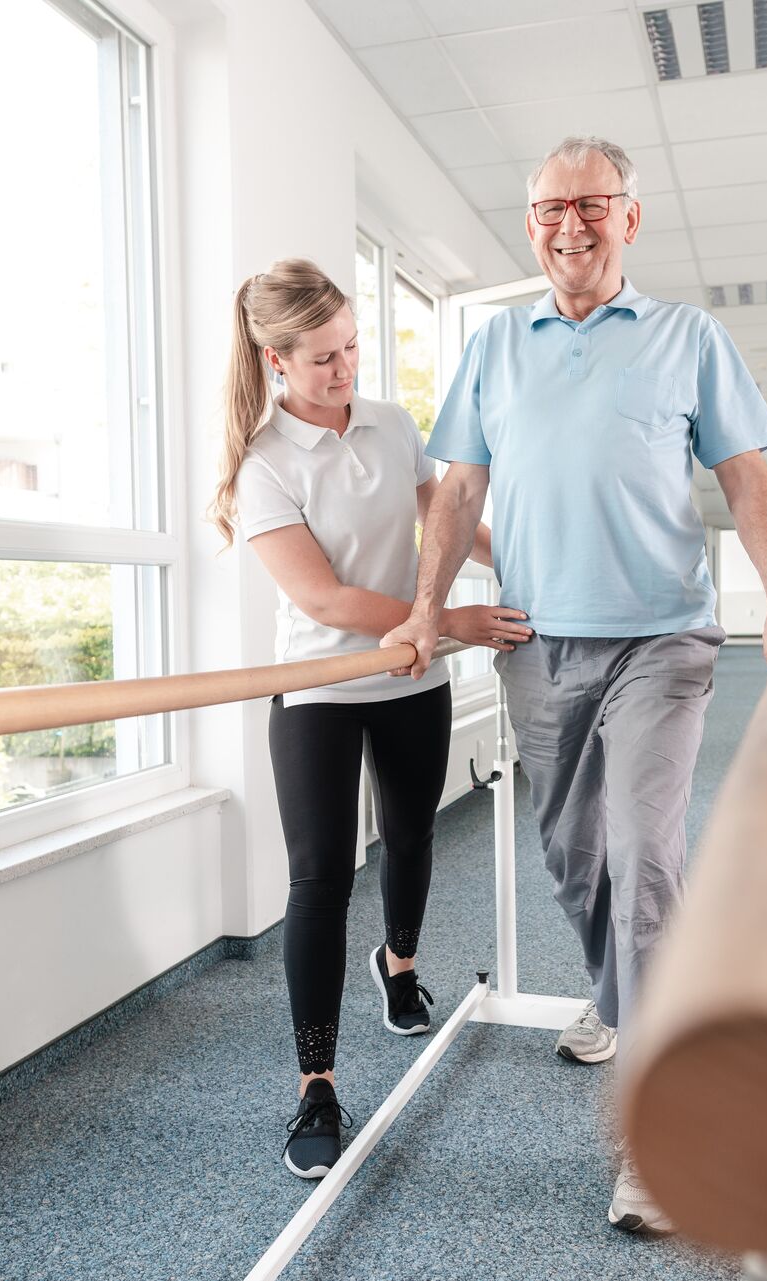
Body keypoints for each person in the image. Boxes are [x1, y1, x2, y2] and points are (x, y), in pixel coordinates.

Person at [381, 138, 767, 1233]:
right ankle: (632, 997)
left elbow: (746, 475)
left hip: (661, 644)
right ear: (529, 223)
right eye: (547, 208)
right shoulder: (494, 344)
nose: (568, 225)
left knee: (641, 863)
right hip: (538, 647)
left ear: (631, 218)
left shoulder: (689, 338)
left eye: (590, 205)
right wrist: (424, 609)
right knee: (574, 861)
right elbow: (456, 489)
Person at [210, 258, 532, 1180]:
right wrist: (447, 618)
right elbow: (325, 594)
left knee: (411, 835)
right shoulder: (263, 464)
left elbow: (443, 515)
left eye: (351, 347)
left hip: (409, 678)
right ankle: (316, 1083)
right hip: (318, 683)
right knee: (317, 880)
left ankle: (399, 965)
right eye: (322, 358)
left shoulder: (391, 424)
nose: (345, 368)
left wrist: (513, 561)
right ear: (276, 360)